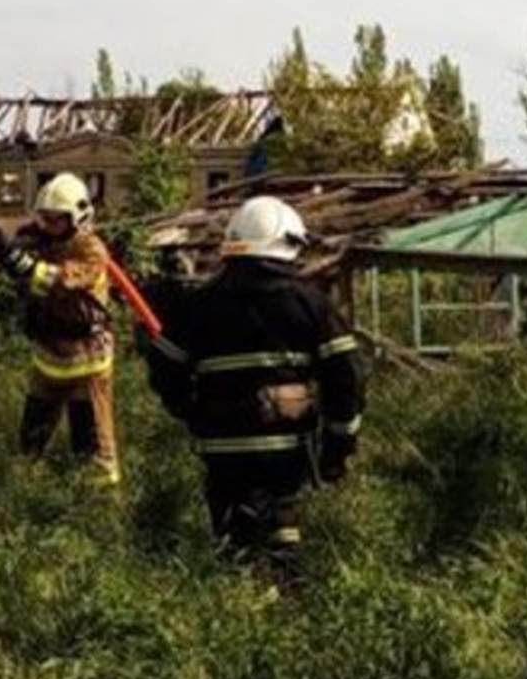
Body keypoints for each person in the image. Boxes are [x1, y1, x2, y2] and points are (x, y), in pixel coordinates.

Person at [143, 195, 364, 569]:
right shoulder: (309, 304)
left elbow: (165, 363)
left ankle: (235, 586)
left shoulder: (200, 303)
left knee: (231, 534)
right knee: (283, 526)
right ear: (287, 245)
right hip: (288, 447)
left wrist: (188, 410)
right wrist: (339, 445)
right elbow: (347, 378)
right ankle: (284, 592)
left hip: (221, 446)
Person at [0, 172, 121, 485]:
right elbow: (24, 254)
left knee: (90, 445)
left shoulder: (91, 251)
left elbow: (55, 280)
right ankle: (25, 491)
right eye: (43, 219)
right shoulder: (43, 240)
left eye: (55, 221)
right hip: (49, 356)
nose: (47, 227)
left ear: (78, 218)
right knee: (31, 438)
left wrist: (16, 260)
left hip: (88, 361)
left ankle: (99, 504)